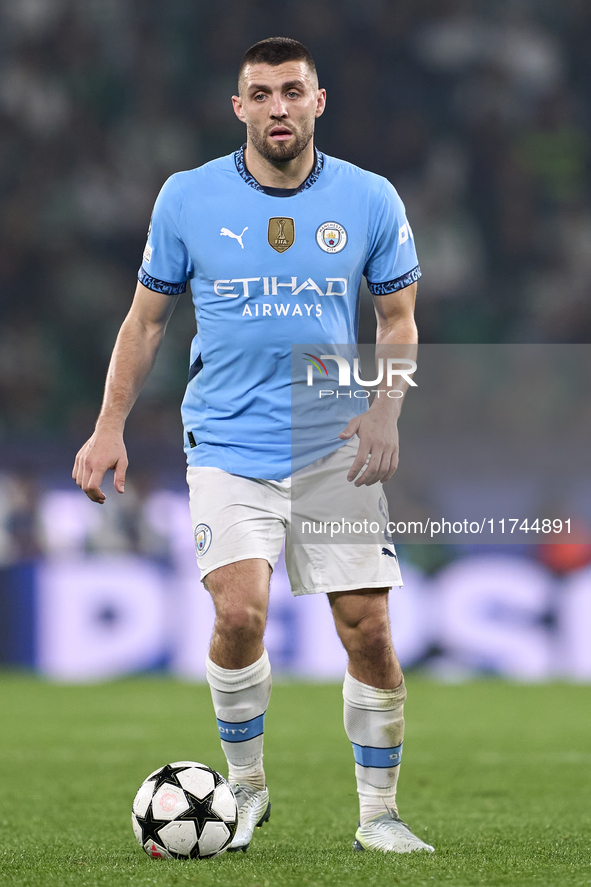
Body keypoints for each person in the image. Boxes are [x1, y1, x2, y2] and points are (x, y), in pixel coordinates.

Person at [73, 37, 433, 855]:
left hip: (332, 441)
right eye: (261, 93)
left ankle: (377, 813)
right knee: (238, 613)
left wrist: (387, 413)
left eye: (292, 92)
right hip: (228, 442)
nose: (278, 106)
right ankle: (245, 785)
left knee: (367, 629)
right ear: (238, 106)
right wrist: (107, 425)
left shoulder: (370, 198)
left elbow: (397, 321)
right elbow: (147, 321)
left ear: (318, 102)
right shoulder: (187, 198)